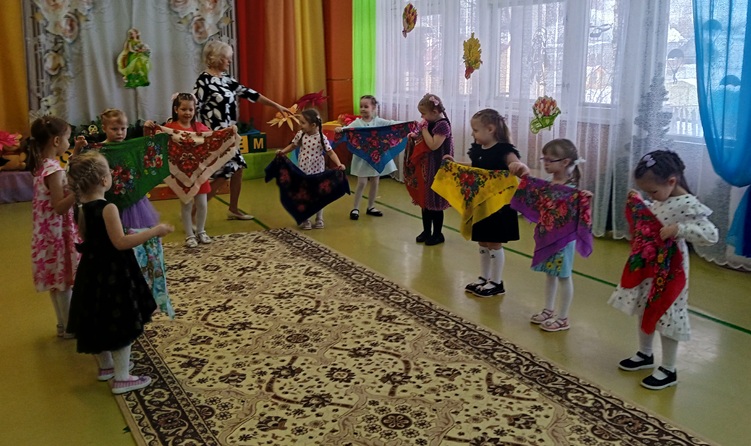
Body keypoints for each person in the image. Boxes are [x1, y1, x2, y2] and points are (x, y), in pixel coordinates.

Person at [608, 150, 718, 390]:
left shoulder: (688, 204)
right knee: (645, 307)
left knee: (668, 314)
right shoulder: (662, 197)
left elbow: (711, 234)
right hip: (650, 268)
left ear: (671, 181)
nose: (652, 196)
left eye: (653, 192)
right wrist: (642, 203)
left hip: (670, 272)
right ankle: (645, 353)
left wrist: (679, 229)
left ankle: (669, 368)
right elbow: (658, 213)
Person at [66, 151, 173, 394]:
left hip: (91, 272)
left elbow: (93, 238)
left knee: (99, 318)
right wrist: (154, 231)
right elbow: (120, 242)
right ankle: (123, 377)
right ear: (104, 180)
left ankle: (106, 367)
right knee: (121, 321)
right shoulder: (108, 208)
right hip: (114, 273)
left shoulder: (80, 208)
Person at [193, 40, 290, 220]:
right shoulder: (204, 81)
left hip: (230, 135)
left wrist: (276, 105)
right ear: (216, 58)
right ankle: (194, 212)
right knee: (227, 171)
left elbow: (250, 93)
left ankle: (233, 209)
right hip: (216, 136)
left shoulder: (226, 79)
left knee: (237, 169)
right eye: (226, 58)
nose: (230, 61)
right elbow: (193, 107)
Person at [443, 109, 529, 297]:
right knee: (482, 241)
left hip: (498, 206)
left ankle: (496, 282)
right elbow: (476, 168)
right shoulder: (478, 150)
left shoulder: (504, 150)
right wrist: (455, 164)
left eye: (475, 130)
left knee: (494, 242)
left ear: (490, 129)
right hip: (481, 203)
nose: (472, 134)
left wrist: (518, 166)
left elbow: (518, 166)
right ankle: (484, 277)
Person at [99, 109, 172, 318]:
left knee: (142, 248)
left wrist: (153, 136)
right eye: (114, 129)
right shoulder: (100, 151)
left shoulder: (130, 146)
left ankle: (145, 290)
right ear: (104, 128)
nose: (119, 132)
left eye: (123, 128)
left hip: (137, 207)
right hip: (114, 207)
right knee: (123, 249)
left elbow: (145, 157)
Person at [26, 116, 87, 338]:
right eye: (68, 139)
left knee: (57, 282)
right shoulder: (54, 170)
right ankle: (71, 328)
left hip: (46, 233)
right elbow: (60, 207)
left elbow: (63, 174)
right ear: (56, 141)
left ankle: (62, 324)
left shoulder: (42, 164)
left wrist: (76, 152)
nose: (69, 143)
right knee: (65, 284)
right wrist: (78, 191)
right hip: (58, 234)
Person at [528, 139, 589, 331]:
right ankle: (548, 309)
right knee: (550, 274)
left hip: (563, 241)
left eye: (549, 160)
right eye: (544, 159)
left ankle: (563, 318)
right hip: (547, 236)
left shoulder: (572, 190)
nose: (545, 164)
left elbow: (578, 216)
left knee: (563, 276)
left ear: (565, 162)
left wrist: (585, 200)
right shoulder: (548, 184)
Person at [145, 93, 212, 248]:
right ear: (176, 109)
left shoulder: (200, 127)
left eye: (191, 109)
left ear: (195, 110)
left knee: (202, 204)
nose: (187, 113)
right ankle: (189, 235)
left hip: (199, 174)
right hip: (181, 175)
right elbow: (155, 143)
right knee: (186, 204)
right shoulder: (169, 128)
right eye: (184, 109)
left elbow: (210, 140)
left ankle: (201, 231)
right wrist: (148, 129)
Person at [276, 109, 346, 230]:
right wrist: (282, 152)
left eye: (303, 123)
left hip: (318, 172)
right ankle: (306, 219)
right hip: (303, 172)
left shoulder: (321, 138)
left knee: (318, 195)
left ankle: (319, 218)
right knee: (304, 195)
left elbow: (330, 152)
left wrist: (339, 164)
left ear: (313, 125)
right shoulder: (301, 134)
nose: (300, 125)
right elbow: (293, 145)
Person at [335, 95, 398, 220]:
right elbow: (347, 129)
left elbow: (391, 124)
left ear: (373, 108)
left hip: (375, 158)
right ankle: (355, 208)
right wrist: (340, 129)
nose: (363, 109)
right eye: (361, 106)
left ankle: (371, 206)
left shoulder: (378, 121)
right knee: (362, 183)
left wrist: (406, 124)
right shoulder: (357, 123)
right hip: (362, 159)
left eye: (366, 106)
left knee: (375, 181)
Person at [413, 93, 454, 245]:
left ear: (435, 112)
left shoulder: (442, 125)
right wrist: (415, 136)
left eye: (423, 113)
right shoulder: (430, 122)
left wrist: (423, 129)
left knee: (436, 203)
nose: (422, 117)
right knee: (426, 201)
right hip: (428, 167)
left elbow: (433, 145)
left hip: (438, 168)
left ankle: (437, 234)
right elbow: (424, 139)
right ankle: (426, 231)